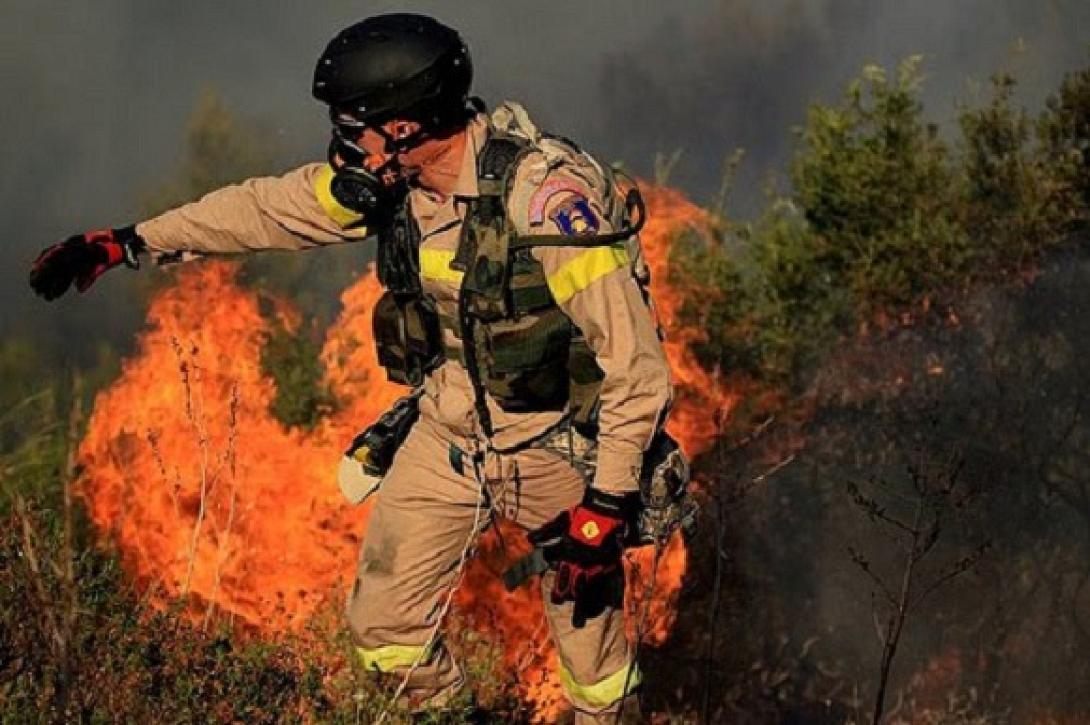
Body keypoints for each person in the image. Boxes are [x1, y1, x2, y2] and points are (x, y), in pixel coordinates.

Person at [29, 13, 674, 723]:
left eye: (353, 124)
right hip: (448, 439)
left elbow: (636, 368)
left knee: (596, 677)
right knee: (384, 637)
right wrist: (130, 243)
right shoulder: (393, 184)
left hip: (557, 444)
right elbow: (267, 210)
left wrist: (607, 506)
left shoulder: (546, 198)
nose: (344, 142)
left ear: (403, 127)